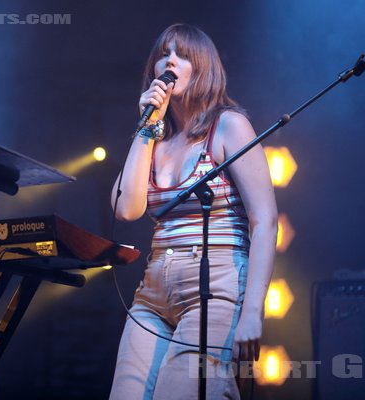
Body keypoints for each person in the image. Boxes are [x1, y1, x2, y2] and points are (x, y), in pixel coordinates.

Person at [109, 23, 277, 399]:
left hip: (214, 287)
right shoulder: (156, 138)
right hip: (152, 292)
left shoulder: (228, 127)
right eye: (163, 56)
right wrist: (146, 127)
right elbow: (126, 208)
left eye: (181, 54)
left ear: (203, 67)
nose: (169, 61)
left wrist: (253, 311)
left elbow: (264, 220)